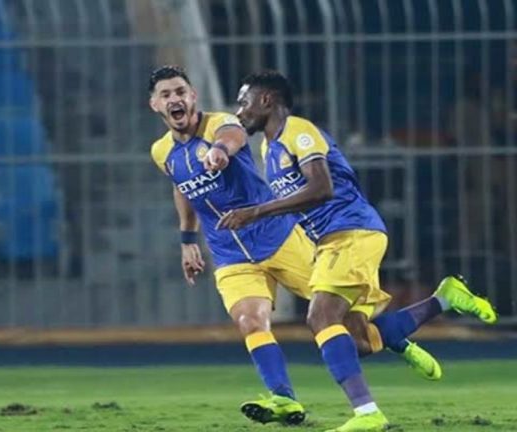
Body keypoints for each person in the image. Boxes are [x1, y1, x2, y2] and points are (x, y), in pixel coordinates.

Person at [147, 65, 441, 426]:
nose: (175, 99)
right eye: (166, 94)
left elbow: (231, 135)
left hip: (281, 237)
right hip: (230, 253)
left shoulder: (220, 123)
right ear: (154, 105)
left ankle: (399, 339)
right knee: (250, 321)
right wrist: (187, 239)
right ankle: (284, 399)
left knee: (346, 323)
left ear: (193, 96)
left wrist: (220, 150)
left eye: (180, 91)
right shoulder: (161, 151)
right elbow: (181, 187)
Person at [219, 69, 498, 431]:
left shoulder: (298, 131)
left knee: (321, 317)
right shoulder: (267, 149)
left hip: (352, 231)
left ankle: (368, 414)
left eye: (244, 102)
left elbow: (322, 188)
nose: (239, 111)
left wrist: (256, 212)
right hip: (330, 241)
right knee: (359, 340)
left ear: (266, 100)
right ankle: (444, 299)